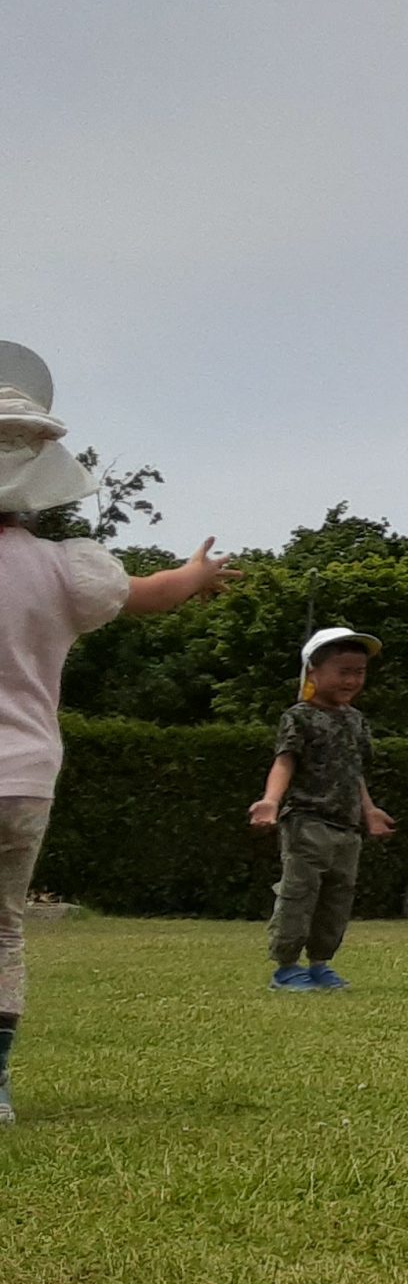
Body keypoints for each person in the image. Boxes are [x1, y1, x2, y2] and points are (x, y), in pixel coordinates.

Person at [0, 343, 237, 1123]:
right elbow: (155, 594)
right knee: (2, 930)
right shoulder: (67, 571)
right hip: (24, 782)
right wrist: (197, 574)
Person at [248, 628, 398, 990]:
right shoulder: (298, 717)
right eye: (342, 671)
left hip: (347, 828)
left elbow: (353, 771)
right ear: (312, 671)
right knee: (299, 894)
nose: (351, 680)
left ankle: (319, 964)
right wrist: (271, 800)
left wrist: (369, 810)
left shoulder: (355, 720)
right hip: (306, 821)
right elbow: (285, 762)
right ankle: (286, 967)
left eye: (359, 672)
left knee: (337, 899)